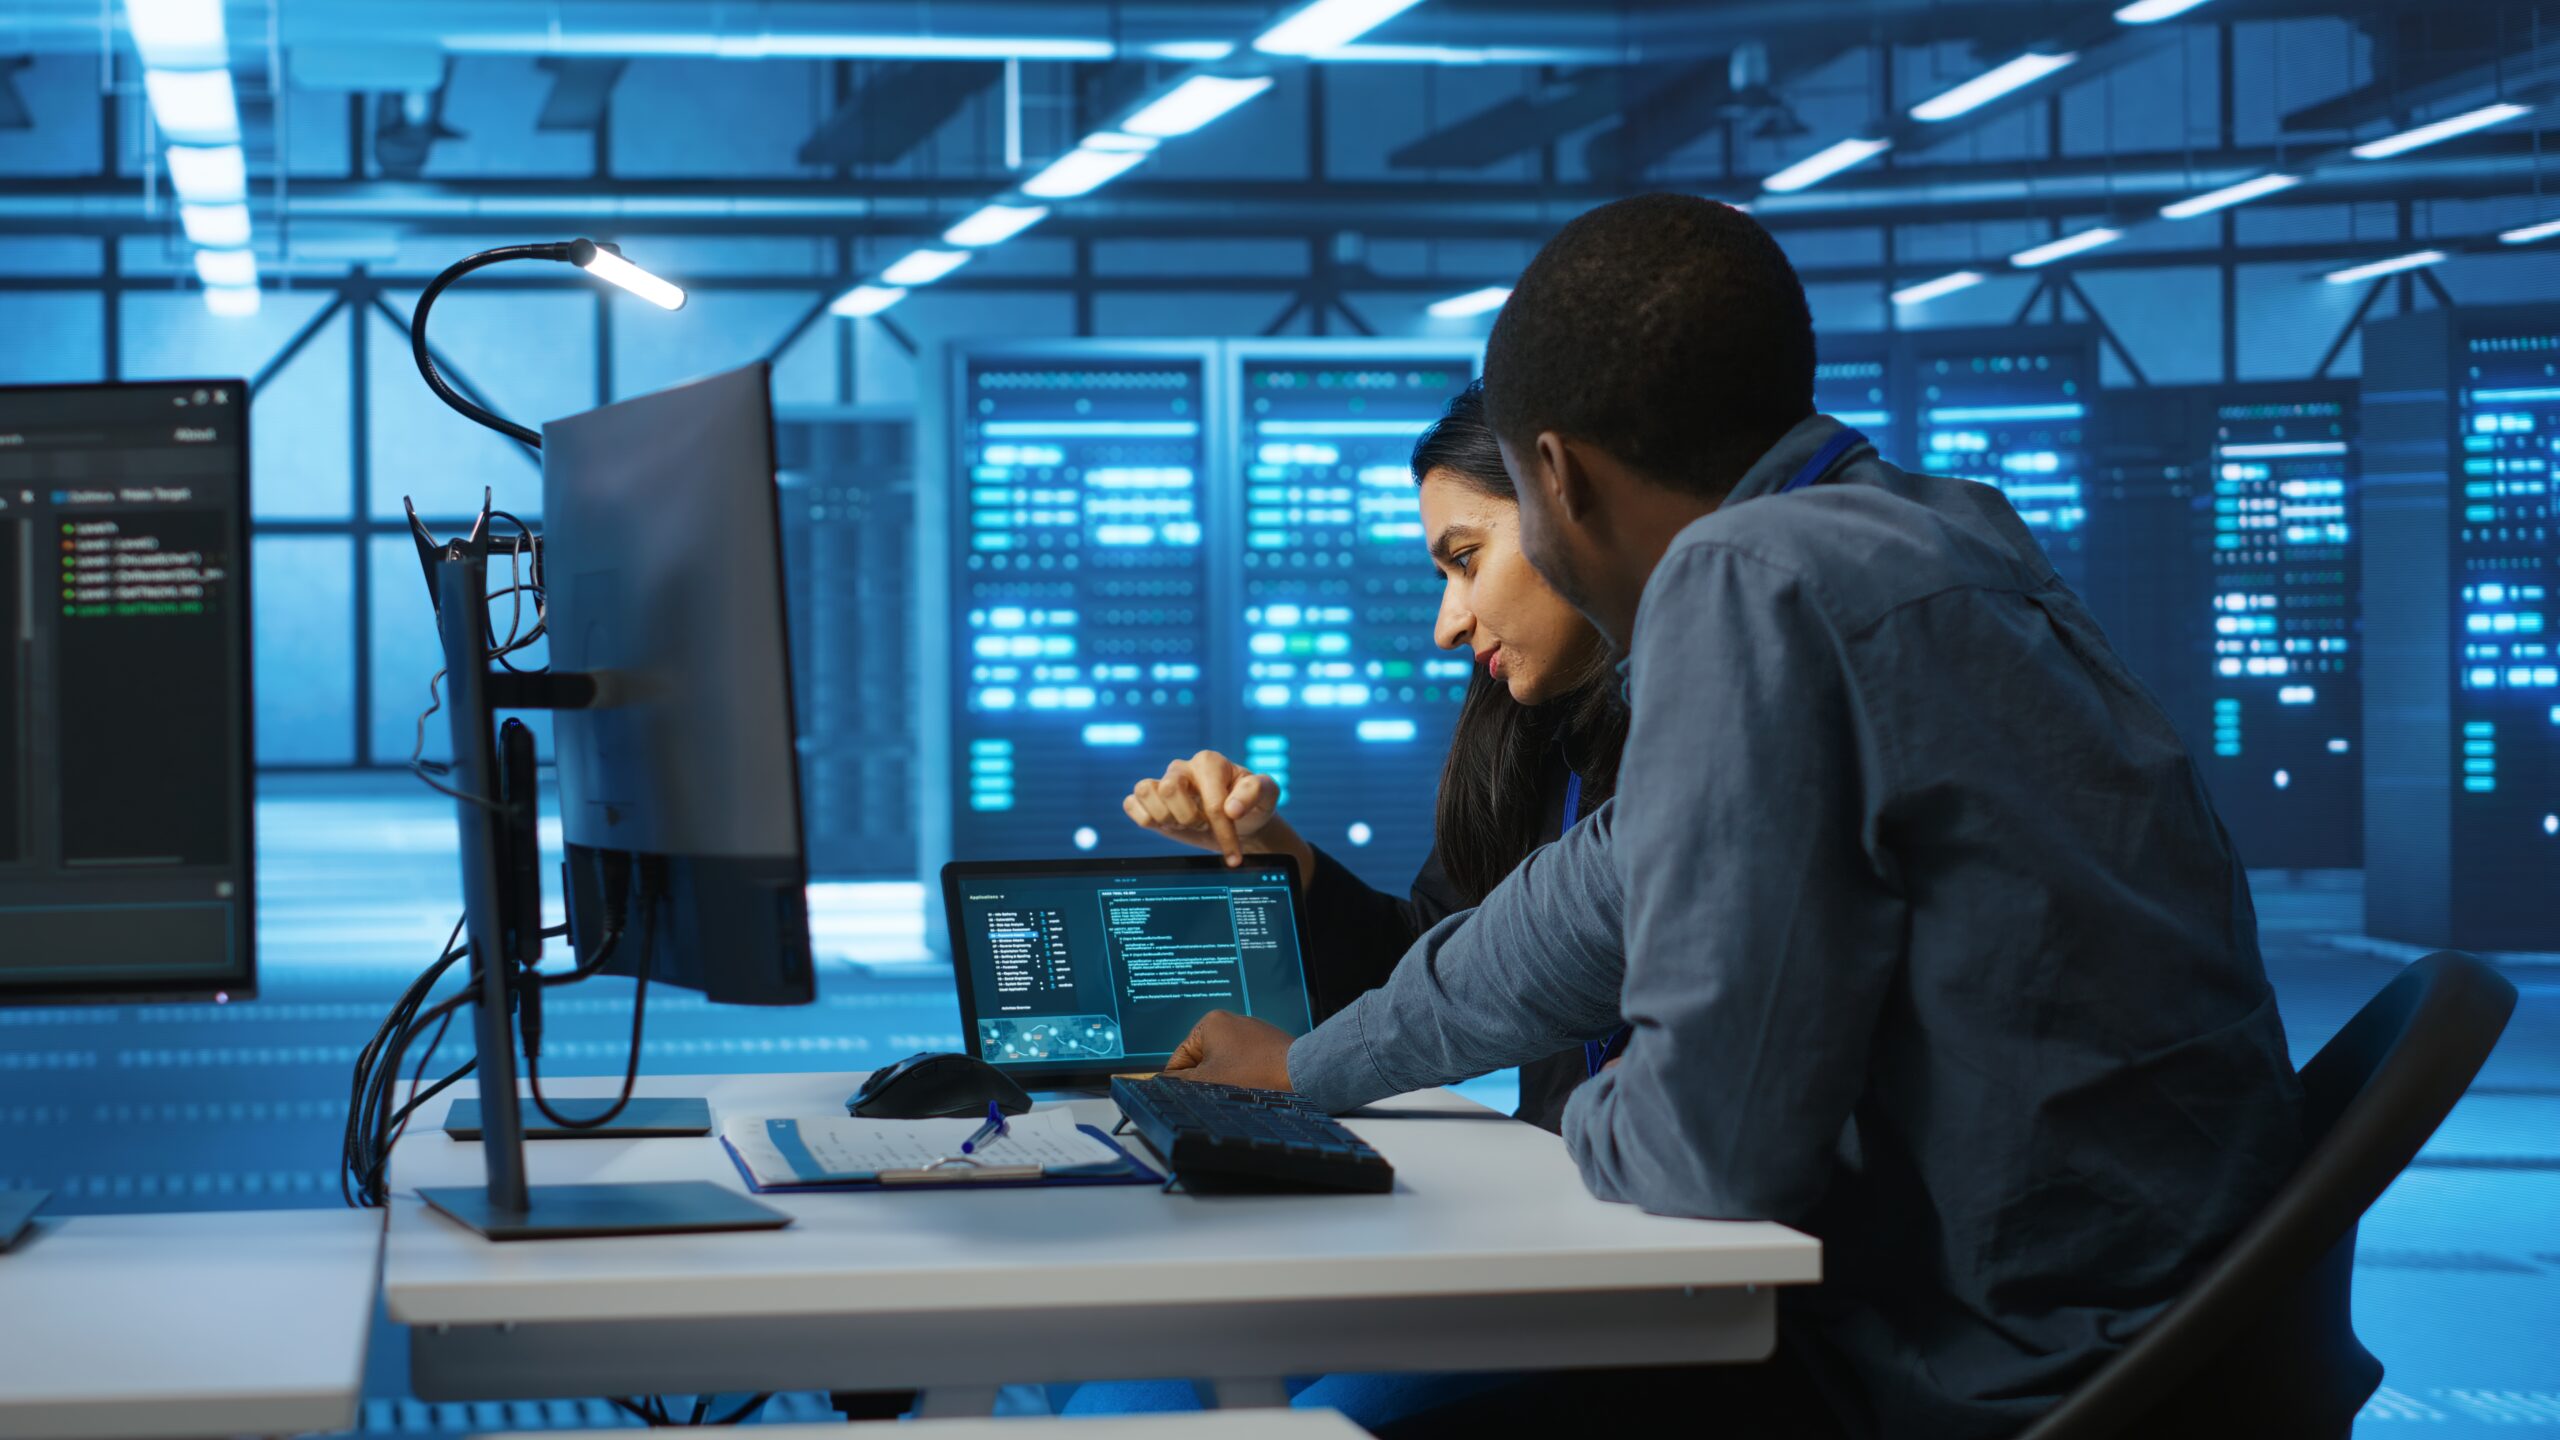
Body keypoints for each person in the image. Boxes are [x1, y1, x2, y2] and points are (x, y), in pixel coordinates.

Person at [1159, 194, 2306, 1440]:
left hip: (1963, 1371)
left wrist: (1559, 1127)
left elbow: (1707, 1154)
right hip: (2160, 1337)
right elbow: (1590, 896)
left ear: (1556, 474)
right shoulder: (1931, 527)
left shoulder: (1741, 576)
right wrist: (1316, 1067)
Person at [1118, 380, 1627, 1133]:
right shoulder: (1533, 723)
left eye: (1467, 558)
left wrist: (1300, 1075)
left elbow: (1510, 978)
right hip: (1566, 1196)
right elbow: (1435, 969)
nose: (1448, 625)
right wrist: (1276, 852)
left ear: (1567, 500)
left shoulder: (1708, 723)